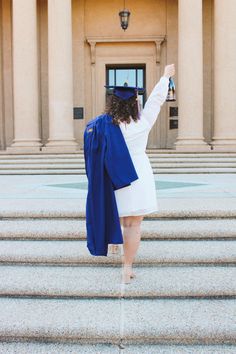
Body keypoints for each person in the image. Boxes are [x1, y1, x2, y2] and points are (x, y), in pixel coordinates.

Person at [105, 64, 176, 283]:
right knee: (134, 224)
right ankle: (127, 269)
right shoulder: (142, 123)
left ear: (112, 103)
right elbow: (155, 101)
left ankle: (115, 243)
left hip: (116, 174)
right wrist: (165, 77)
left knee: (119, 217)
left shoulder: (107, 125)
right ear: (135, 103)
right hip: (138, 174)